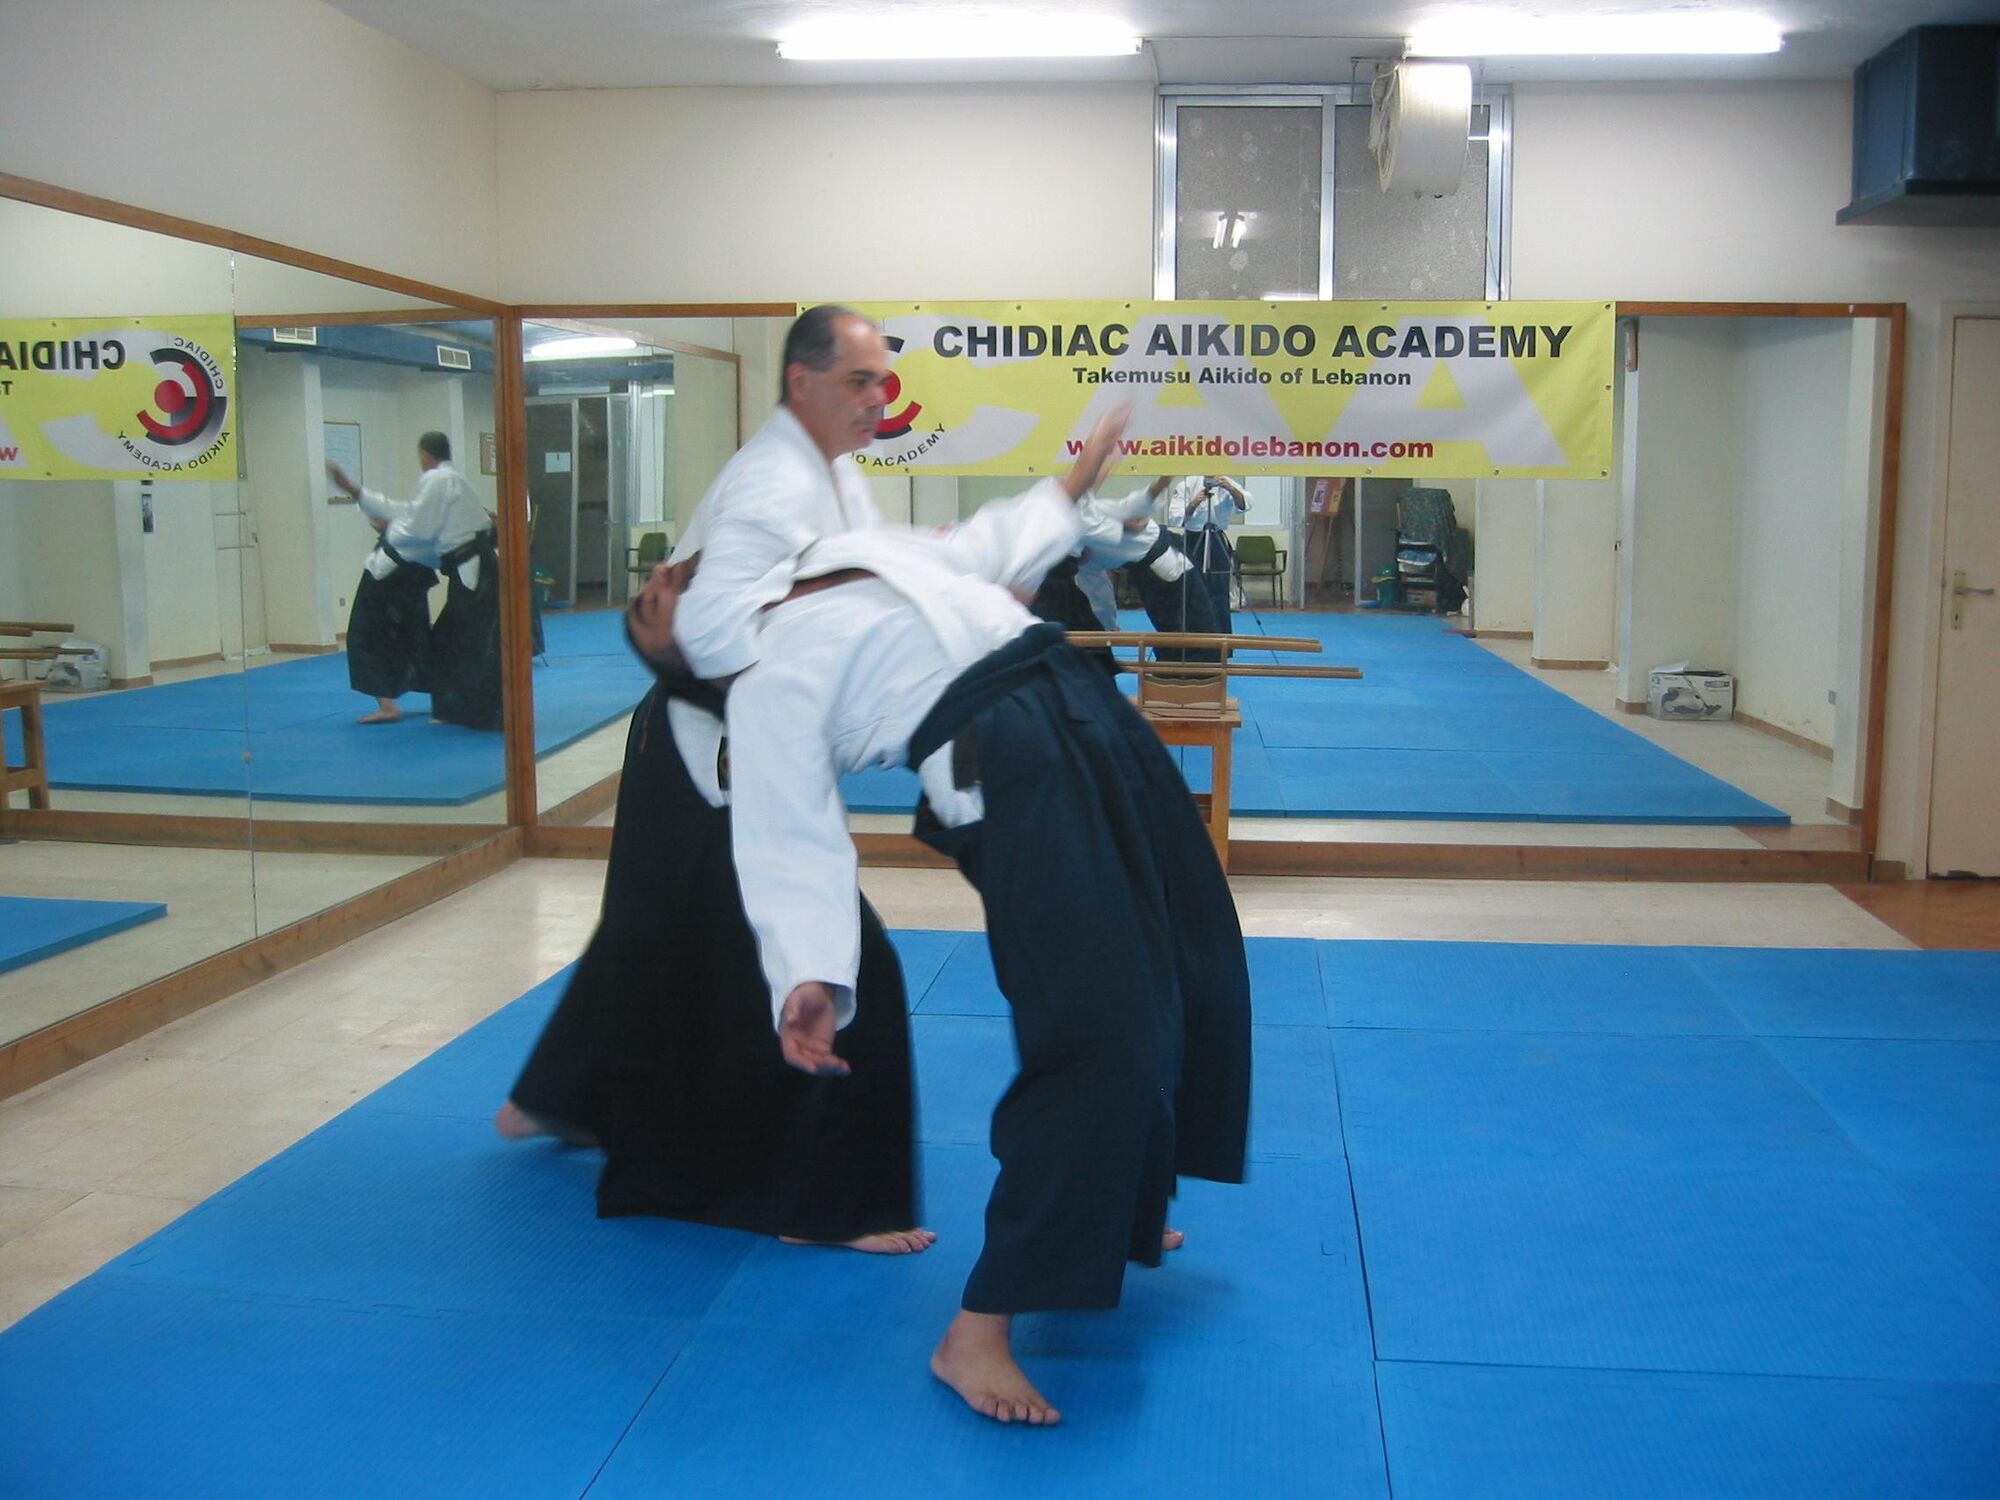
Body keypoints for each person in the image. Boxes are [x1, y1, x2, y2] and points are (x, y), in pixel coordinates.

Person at [624, 407, 1252, 1427]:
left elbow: (974, 548)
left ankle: (1112, 1209)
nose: (663, 581)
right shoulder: (759, 688)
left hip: (1077, 704)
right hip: (1008, 765)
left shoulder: (827, 562)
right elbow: (787, 838)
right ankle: (977, 1330)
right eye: (653, 608)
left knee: (1188, 962)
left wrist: (1071, 486)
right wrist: (809, 976)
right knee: (1097, 1029)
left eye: (660, 578)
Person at [498, 305, 933, 1255]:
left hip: (697, 747)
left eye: (882, 380)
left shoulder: (832, 474)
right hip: (712, 757)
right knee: (844, 965)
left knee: (654, 939)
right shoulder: (772, 489)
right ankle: (826, 1205)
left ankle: (559, 1099)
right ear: (802, 384)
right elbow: (699, 641)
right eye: (859, 381)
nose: (878, 397)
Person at [328, 432, 501, 729]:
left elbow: (416, 527)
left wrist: (389, 527)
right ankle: (452, 708)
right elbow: (410, 514)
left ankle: (477, 712)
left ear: (424, 455)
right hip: (463, 567)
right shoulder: (453, 481)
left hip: (463, 568)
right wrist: (358, 493)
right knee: (444, 639)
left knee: (461, 642)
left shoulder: (438, 480)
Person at [340, 510, 436, 724]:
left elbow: (379, 576)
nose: (373, 521)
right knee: (419, 650)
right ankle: (443, 704)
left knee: (365, 645)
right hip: (404, 611)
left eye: (378, 517)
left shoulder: (396, 545)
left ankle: (388, 707)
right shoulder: (412, 544)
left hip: (385, 612)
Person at [1170, 474, 1250, 618]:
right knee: (1191, 584)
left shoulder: (1226, 482)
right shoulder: (1187, 484)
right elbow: (1176, 518)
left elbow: (1244, 505)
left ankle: (1221, 625)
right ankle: (1192, 624)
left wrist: (1231, 489)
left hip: (1216, 537)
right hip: (1193, 538)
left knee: (1220, 586)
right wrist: (1193, 504)